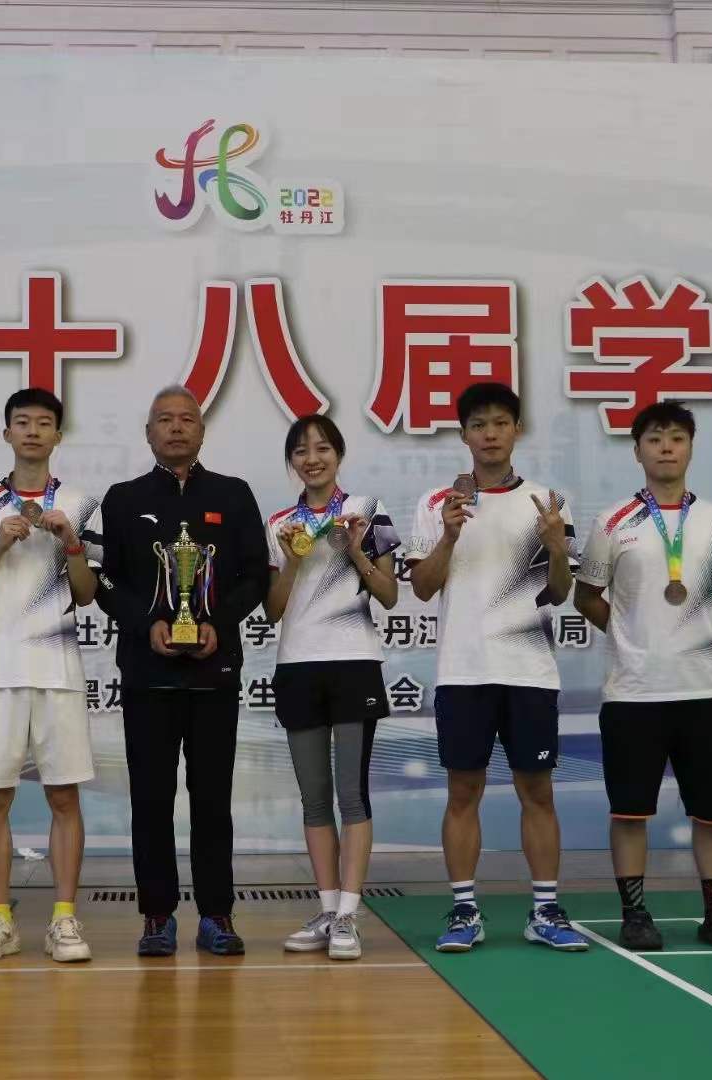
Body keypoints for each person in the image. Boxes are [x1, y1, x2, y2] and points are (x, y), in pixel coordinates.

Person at [406, 382, 588, 955]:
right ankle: (465, 910)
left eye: (500, 423)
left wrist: (556, 546)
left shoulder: (548, 502)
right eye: (479, 424)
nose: (490, 434)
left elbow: (559, 592)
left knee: (539, 791)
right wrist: (449, 536)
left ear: (516, 431)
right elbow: (422, 586)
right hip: (463, 671)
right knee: (463, 791)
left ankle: (545, 910)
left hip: (529, 670)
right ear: (464, 435)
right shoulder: (437, 504)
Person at [92, 386, 267, 957]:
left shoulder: (233, 495)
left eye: (186, 419)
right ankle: (157, 916)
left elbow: (254, 575)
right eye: (163, 419)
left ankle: (217, 914)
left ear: (202, 431)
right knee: (151, 799)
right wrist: (148, 623)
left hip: (214, 671)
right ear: (148, 433)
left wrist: (217, 621)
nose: (175, 428)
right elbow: (105, 580)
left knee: (213, 799)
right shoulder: (123, 499)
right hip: (148, 674)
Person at [574, 401, 712, 952]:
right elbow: (587, 596)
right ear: (637, 451)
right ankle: (635, 914)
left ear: (691, 447)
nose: (666, 447)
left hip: (706, 687)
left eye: (677, 437)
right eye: (655, 439)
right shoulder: (612, 521)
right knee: (630, 812)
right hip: (634, 691)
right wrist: (630, 634)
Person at [0, 388, 102, 964]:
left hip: (58, 671)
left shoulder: (81, 503)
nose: (33, 431)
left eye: (44, 423)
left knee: (64, 796)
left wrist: (70, 543)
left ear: (58, 436)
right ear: (6, 433)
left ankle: (64, 919)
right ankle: (0, 919)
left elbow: (86, 594)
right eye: (22, 422)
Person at [265, 414, 399, 962]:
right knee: (315, 796)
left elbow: (389, 594)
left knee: (351, 794)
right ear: (292, 462)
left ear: (338, 454)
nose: (312, 458)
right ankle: (325, 909)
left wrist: (357, 551)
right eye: (301, 451)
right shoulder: (280, 523)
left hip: (353, 664)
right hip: (298, 665)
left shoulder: (368, 510)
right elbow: (273, 609)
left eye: (322, 448)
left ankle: (349, 913)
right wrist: (292, 562)